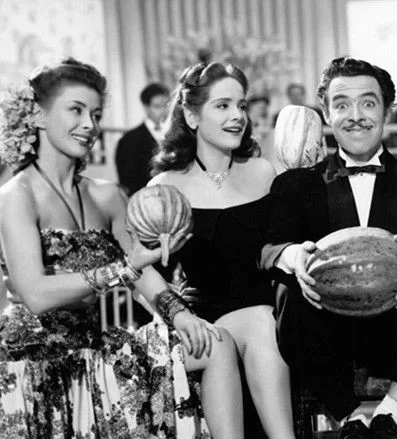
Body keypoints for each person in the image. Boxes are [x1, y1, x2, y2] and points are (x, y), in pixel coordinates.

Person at [0, 58, 244, 438]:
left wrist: (181, 316)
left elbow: (141, 271)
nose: (90, 125)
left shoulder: (106, 195)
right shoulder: (16, 195)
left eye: (96, 114)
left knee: (216, 342)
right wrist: (123, 269)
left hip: (95, 348)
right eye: (76, 110)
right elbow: (35, 294)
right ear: (38, 115)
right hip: (32, 362)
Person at [259, 57, 397, 439]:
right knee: (288, 291)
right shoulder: (296, 185)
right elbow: (270, 248)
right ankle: (350, 416)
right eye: (342, 104)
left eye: (368, 103)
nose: (355, 116)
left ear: (386, 111)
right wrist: (296, 257)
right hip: (329, 332)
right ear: (327, 113)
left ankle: (391, 409)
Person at [149, 62, 294, 439]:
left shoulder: (264, 172)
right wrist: (178, 312)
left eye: (241, 106)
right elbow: (143, 272)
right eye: (223, 106)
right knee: (259, 322)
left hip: (270, 313)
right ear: (192, 116)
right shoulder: (166, 185)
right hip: (206, 320)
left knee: (263, 320)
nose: (237, 116)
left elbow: (285, 248)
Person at [115, 82, 169, 195]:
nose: (164, 111)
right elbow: (128, 182)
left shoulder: (178, 134)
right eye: (157, 106)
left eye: (166, 106)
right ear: (146, 107)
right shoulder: (128, 140)